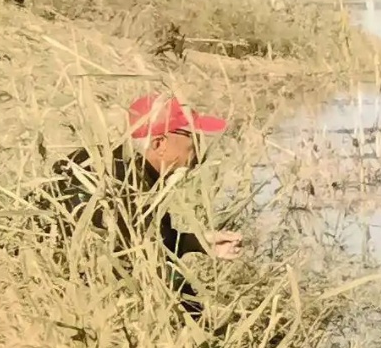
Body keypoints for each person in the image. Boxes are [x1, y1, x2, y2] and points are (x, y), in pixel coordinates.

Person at [51, 91, 242, 310]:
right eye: (194, 139)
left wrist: (199, 242)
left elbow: (144, 240)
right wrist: (199, 318)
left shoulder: (115, 166)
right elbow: (140, 259)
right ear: (159, 144)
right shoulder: (120, 186)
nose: (200, 152)